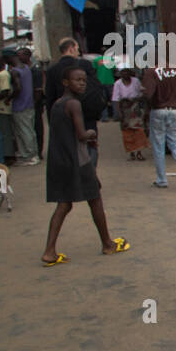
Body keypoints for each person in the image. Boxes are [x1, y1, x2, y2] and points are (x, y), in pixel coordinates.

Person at [42, 62, 128, 265]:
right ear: (65, 82)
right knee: (95, 198)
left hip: (60, 160)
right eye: (77, 80)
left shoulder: (57, 104)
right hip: (78, 160)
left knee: (64, 205)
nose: (82, 84)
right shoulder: (74, 104)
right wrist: (90, 134)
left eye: (84, 81)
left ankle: (49, 250)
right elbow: (81, 134)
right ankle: (107, 243)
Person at [46, 38, 105, 164]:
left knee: (68, 148)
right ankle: (90, 172)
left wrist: (52, 121)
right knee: (90, 146)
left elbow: (49, 98)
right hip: (87, 114)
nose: (78, 52)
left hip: (63, 117)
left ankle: (77, 174)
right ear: (71, 48)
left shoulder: (52, 70)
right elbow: (97, 88)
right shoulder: (85, 65)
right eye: (77, 48)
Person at [143, 61, 176, 189]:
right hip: (175, 110)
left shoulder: (151, 72)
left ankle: (162, 180)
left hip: (158, 110)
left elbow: (148, 94)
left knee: (158, 146)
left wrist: (145, 111)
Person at [8, 50, 40, 165]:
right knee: (28, 131)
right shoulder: (26, 68)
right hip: (28, 104)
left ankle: (30, 155)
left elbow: (17, 88)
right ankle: (27, 155)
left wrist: (8, 99)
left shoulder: (15, 71)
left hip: (20, 105)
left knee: (24, 131)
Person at [112, 66, 148, 161]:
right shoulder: (118, 84)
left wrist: (136, 100)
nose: (125, 74)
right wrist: (119, 113)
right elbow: (116, 99)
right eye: (123, 72)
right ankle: (132, 153)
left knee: (139, 130)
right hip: (125, 109)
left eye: (127, 72)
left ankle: (139, 152)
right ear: (120, 74)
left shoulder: (136, 81)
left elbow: (142, 93)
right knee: (128, 131)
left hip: (135, 108)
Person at [20, 48, 45, 156]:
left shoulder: (35, 70)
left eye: (20, 55)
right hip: (30, 103)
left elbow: (38, 90)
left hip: (35, 104)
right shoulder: (25, 69)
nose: (18, 58)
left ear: (27, 56)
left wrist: (34, 103)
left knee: (37, 126)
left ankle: (38, 151)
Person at [0, 51, 17, 163]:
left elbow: (5, 91)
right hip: (2, 107)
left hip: (3, 107)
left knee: (5, 132)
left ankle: (9, 155)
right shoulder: (1, 73)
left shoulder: (3, 74)